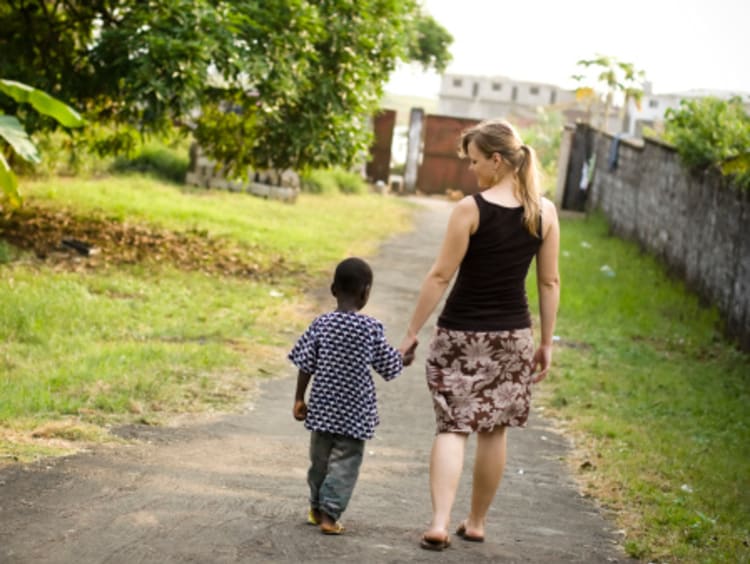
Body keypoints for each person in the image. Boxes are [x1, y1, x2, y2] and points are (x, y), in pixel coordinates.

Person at [398, 119, 560, 551]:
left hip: (460, 335)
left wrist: (412, 331)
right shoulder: (543, 212)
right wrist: (545, 342)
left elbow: (440, 275)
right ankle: (476, 522)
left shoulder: (470, 209)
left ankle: (438, 522)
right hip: (513, 337)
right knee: (494, 430)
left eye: (474, 162)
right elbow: (549, 283)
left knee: (453, 427)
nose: (471, 171)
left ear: (496, 159)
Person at [289, 257, 416, 535]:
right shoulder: (370, 328)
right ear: (366, 292)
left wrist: (300, 398)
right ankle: (330, 516)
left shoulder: (321, 323)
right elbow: (388, 366)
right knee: (345, 463)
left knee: (319, 461)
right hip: (354, 414)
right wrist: (404, 358)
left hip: (321, 409)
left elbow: (304, 363)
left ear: (333, 289)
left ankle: (316, 507)